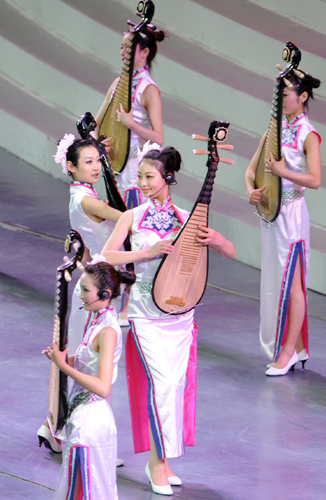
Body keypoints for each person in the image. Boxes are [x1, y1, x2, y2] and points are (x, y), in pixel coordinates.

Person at [101, 145, 236, 495]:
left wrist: (217, 240)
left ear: (168, 178)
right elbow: (107, 255)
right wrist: (147, 251)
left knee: (176, 388)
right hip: (145, 314)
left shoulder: (185, 216)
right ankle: (157, 464)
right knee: (161, 385)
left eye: (150, 177)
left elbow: (229, 251)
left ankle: (161, 460)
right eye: (140, 176)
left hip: (179, 313)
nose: (142, 183)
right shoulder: (132, 216)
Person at [37, 135, 122, 453]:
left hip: (96, 286)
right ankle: (60, 428)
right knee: (86, 365)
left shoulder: (81, 194)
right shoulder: (87, 200)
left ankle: (56, 427)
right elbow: (127, 219)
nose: (96, 167)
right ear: (70, 167)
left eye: (97, 160)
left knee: (87, 362)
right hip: (93, 293)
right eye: (88, 162)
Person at [244, 71, 321, 376]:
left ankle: (289, 351)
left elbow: (315, 179)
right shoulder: (273, 130)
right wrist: (251, 191)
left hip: (292, 216)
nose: (281, 100)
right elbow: (251, 171)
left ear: (302, 98)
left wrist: (282, 171)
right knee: (277, 283)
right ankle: (294, 347)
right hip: (270, 215)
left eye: (286, 94)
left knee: (293, 285)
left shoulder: (309, 134)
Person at [43, 257, 136, 500]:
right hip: (83, 415)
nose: (81, 295)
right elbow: (88, 360)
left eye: (86, 290)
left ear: (104, 293)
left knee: (85, 490)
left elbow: (103, 387)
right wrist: (62, 358)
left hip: (90, 421)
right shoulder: (96, 318)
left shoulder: (107, 331)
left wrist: (65, 367)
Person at [94, 28, 165, 208]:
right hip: (113, 161)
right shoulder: (117, 83)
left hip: (134, 165)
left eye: (128, 48)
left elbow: (158, 138)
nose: (122, 53)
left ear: (145, 52)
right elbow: (96, 124)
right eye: (121, 47)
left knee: (131, 220)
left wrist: (130, 123)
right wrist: (98, 144)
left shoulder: (149, 89)